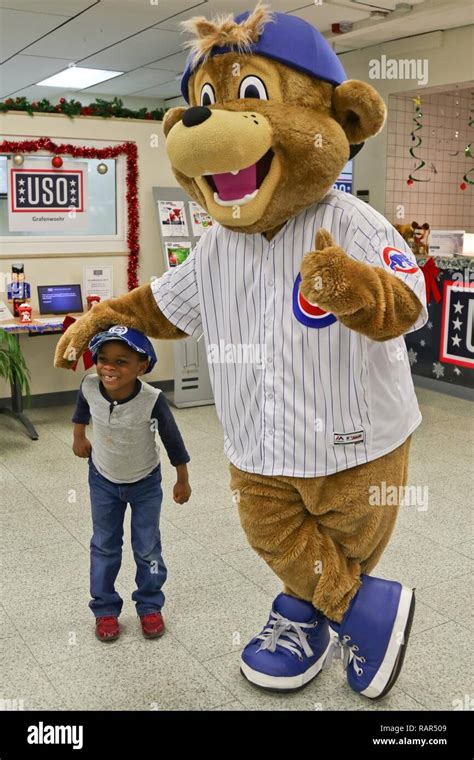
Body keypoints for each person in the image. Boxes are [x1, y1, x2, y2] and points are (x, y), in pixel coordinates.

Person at [71, 325, 191, 642]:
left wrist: (182, 479)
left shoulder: (152, 400)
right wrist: (79, 436)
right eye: (103, 358)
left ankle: (150, 605)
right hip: (103, 480)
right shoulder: (90, 385)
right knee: (105, 546)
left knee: (147, 547)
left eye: (122, 361)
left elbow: (172, 440)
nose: (109, 367)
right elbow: (82, 407)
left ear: (142, 366)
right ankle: (105, 609)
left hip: (145, 483)